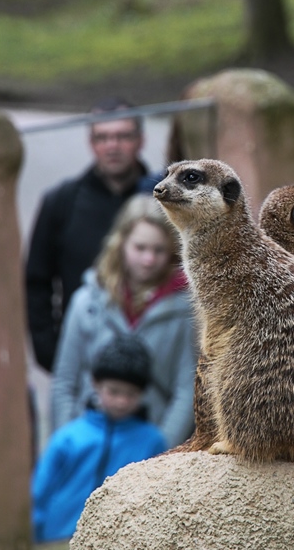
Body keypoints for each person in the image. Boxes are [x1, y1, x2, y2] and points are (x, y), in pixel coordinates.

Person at [26, 96, 163, 373]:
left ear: (141, 140)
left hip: (157, 357)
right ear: (91, 143)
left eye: (123, 136)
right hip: (82, 357)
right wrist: (50, 353)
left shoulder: (164, 199)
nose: (112, 146)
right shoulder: (60, 201)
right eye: (102, 137)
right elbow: (37, 281)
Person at [51, 194, 197, 448]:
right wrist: (69, 443)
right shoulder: (87, 300)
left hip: (149, 447)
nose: (148, 259)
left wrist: (159, 453)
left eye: (159, 250)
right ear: (121, 243)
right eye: (140, 248)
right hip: (87, 443)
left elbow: (186, 391)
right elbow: (65, 381)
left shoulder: (187, 309)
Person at [32, 333, 167, 543]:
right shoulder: (69, 437)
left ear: (143, 393)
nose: (121, 401)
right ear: (95, 384)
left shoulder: (152, 441)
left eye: (131, 394)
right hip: (58, 538)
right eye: (113, 392)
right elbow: (39, 492)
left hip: (120, 541)